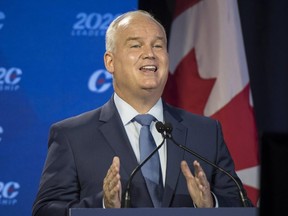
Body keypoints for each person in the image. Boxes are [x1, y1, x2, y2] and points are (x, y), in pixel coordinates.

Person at [32, 10, 253, 216]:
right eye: (136, 45)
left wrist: (210, 204)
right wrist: (103, 206)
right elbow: (45, 211)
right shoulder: (72, 136)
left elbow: (243, 207)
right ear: (110, 62)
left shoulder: (205, 132)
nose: (149, 54)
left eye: (158, 46)